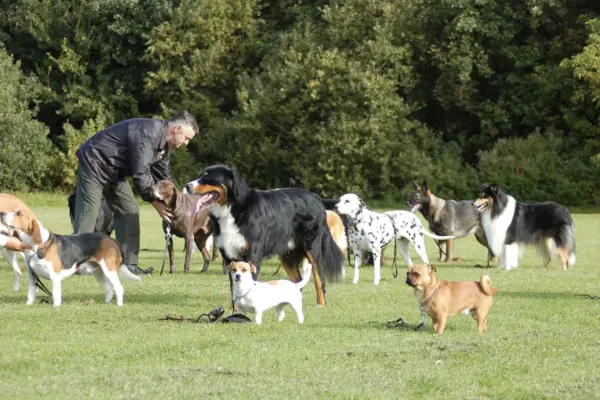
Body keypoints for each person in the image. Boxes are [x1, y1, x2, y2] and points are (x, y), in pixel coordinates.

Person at [73, 111, 198, 275]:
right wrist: (155, 203)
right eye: (187, 138)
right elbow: (141, 173)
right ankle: (77, 264)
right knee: (90, 209)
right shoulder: (148, 133)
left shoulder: (164, 148)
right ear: (177, 129)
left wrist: (174, 207)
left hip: (115, 173)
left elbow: (164, 179)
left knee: (130, 210)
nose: (186, 143)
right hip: (94, 162)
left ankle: (128, 265)